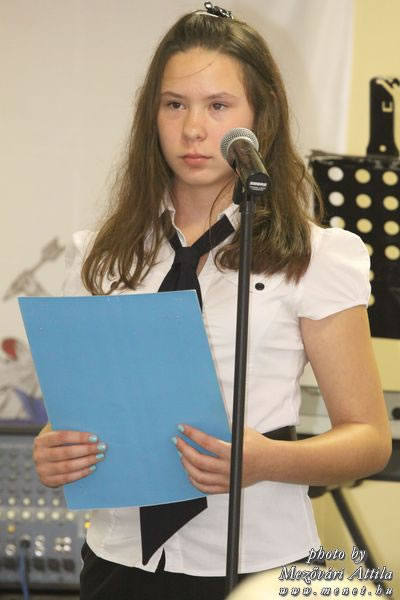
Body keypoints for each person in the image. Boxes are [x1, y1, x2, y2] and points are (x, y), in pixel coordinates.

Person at [32, 4, 392, 600]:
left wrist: (268, 460)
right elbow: (86, 414)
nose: (193, 129)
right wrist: (55, 449)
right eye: (175, 104)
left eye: (218, 105)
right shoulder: (99, 254)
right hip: (118, 561)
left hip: (258, 563)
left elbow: (369, 439)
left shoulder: (317, 256)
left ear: (260, 117)